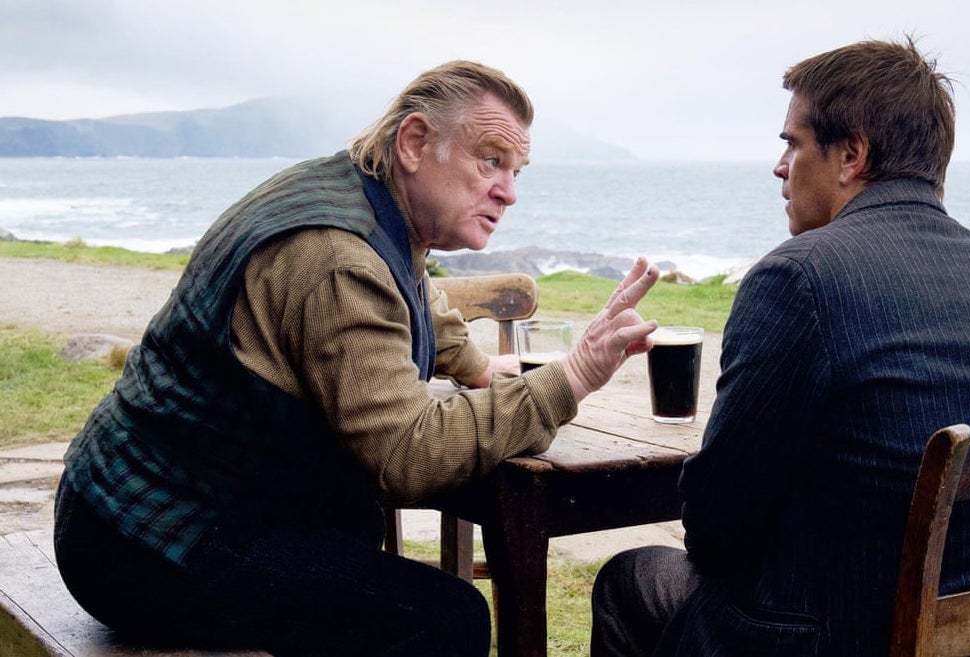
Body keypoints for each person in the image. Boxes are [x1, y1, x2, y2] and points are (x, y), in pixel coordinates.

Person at [53, 60, 659, 657]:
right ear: (415, 143)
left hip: (140, 502)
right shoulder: (337, 256)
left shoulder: (361, 197)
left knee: (363, 550)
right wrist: (574, 375)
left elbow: (412, 285)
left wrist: (473, 366)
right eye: (489, 160)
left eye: (515, 171)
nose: (509, 192)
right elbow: (407, 454)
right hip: (145, 534)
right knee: (444, 619)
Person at [590, 38, 970, 657]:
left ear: (851, 155)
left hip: (845, 638)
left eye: (792, 143)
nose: (780, 166)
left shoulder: (800, 278)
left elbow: (715, 525)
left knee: (630, 580)